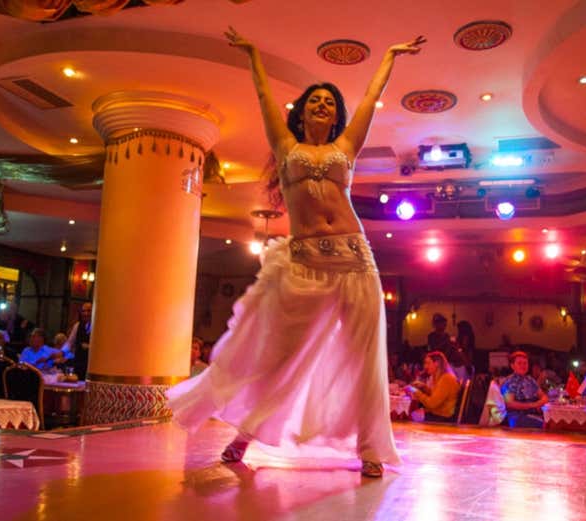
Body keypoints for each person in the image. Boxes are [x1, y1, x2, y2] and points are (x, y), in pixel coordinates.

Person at [166, 27, 426, 478]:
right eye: (314, 101)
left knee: (364, 357)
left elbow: (369, 97)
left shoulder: (347, 147)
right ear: (302, 114)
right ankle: (244, 434)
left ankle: (370, 449)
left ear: (335, 115)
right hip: (305, 263)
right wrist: (251, 53)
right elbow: (263, 96)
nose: (323, 105)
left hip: (355, 258)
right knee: (279, 355)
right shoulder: (286, 147)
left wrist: (390, 55)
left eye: (329, 101)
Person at [405, 351, 460, 423]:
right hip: (439, 413)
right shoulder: (442, 377)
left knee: (410, 415)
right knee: (412, 413)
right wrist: (424, 387)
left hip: (442, 418)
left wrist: (415, 391)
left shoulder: (446, 379)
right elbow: (437, 396)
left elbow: (432, 404)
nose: (425, 366)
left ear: (436, 363)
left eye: (428, 363)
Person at [500, 351, 548, 428]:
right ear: (512, 366)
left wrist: (539, 403)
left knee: (554, 421)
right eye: (519, 363)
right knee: (546, 425)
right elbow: (509, 403)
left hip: (534, 414)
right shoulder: (510, 381)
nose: (523, 365)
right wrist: (532, 405)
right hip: (517, 417)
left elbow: (544, 397)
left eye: (525, 363)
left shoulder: (530, 380)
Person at [65, 302, 92, 379]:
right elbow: (69, 343)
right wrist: (61, 352)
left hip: (91, 366)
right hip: (79, 363)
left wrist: (90, 347)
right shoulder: (77, 326)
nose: (85, 313)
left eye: (89, 311)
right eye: (83, 311)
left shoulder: (99, 327)